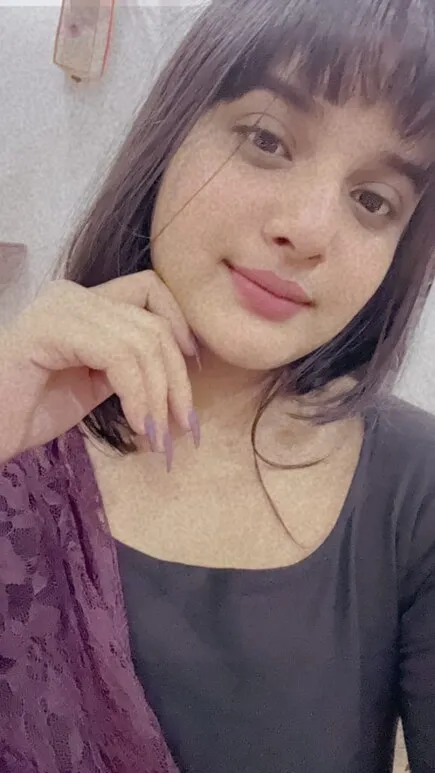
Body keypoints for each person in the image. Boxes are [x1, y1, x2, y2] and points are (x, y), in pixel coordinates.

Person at [1, 0, 435, 770]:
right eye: (266, 139)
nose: (307, 228)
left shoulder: (415, 486)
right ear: (173, 133)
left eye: (372, 200)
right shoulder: (22, 411)